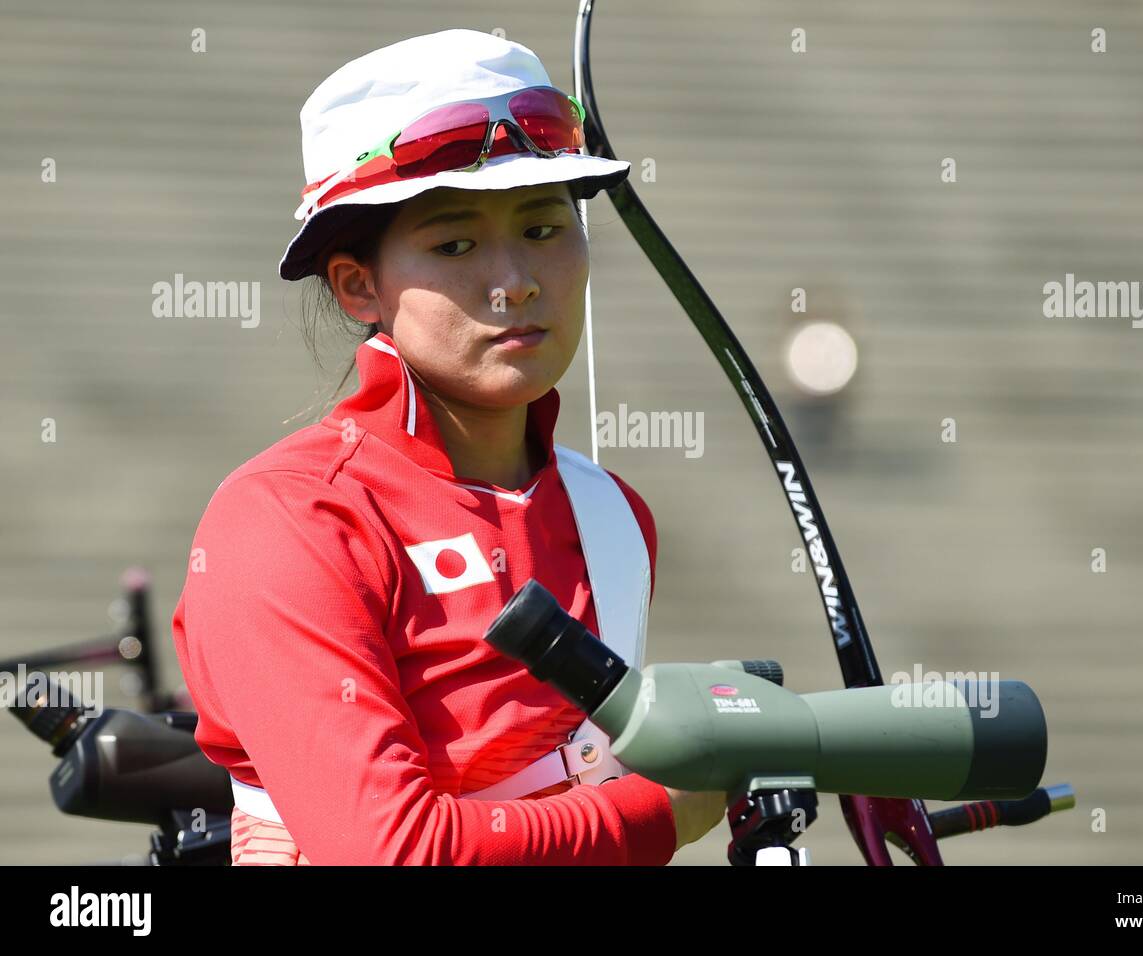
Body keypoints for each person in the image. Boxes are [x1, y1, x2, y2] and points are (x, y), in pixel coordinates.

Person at [170, 29, 727, 865]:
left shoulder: (613, 516)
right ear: (359, 285)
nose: (515, 280)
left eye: (544, 227)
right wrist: (657, 813)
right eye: (455, 244)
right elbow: (391, 852)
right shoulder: (288, 519)